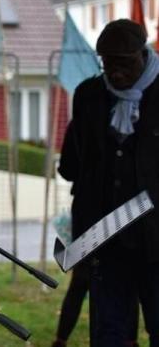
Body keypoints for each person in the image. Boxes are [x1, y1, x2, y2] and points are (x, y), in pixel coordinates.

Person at [58, 18, 159, 347]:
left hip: (155, 241)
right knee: (110, 334)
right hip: (104, 240)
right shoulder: (88, 96)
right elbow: (74, 166)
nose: (115, 72)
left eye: (124, 63)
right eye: (108, 64)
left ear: (143, 55)